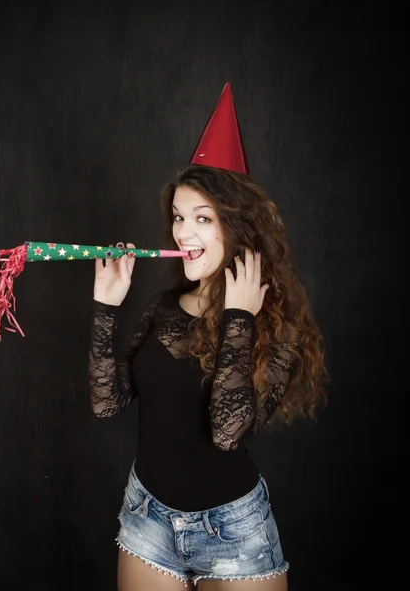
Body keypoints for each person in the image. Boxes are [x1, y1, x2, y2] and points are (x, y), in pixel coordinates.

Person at [88, 83, 328, 591]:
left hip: (234, 534)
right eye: (178, 217)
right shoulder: (163, 308)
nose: (183, 234)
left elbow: (226, 433)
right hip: (147, 518)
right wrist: (106, 307)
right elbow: (108, 404)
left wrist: (239, 319)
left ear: (236, 226)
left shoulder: (273, 322)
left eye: (202, 219)